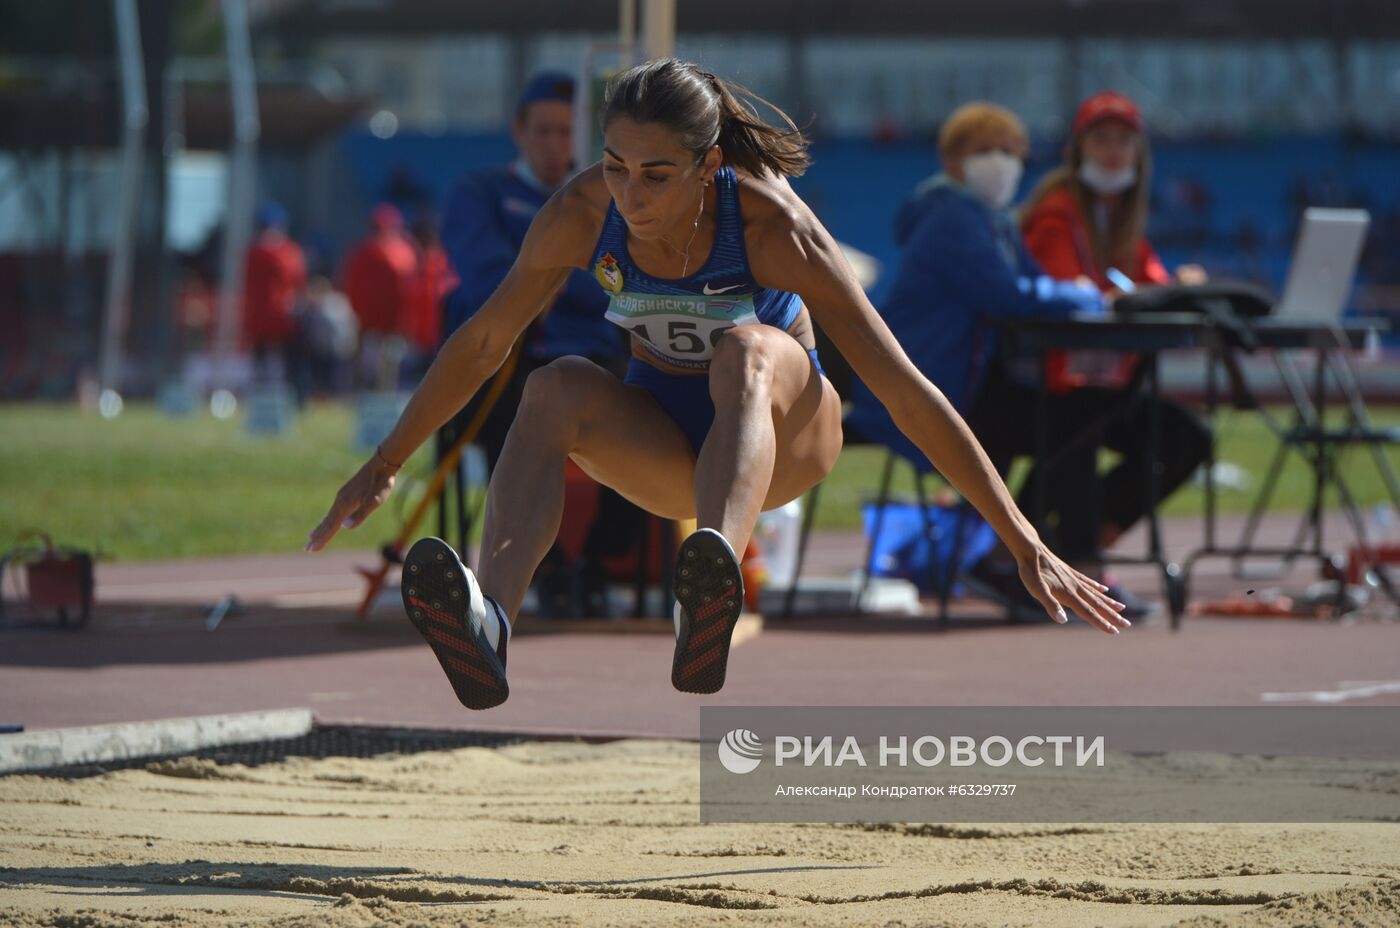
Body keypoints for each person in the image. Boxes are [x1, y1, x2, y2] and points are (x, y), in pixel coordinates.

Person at [306, 60, 1128, 712]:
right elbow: (483, 341)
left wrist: (1023, 541)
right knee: (553, 383)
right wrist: (384, 461)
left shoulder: (773, 226)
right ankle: (490, 622)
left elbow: (906, 392)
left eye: (656, 176)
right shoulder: (582, 213)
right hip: (671, 446)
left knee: (745, 348)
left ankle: (711, 583)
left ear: (707, 166)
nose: (631, 196)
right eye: (617, 166)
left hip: (790, 438)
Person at [843, 102, 1111, 616]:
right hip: (923, 394)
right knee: (1075, 423)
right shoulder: (952, 216)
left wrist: (1076, 293)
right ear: (951, 162)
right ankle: (1036, 562)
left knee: (1077, 416)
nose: (1001, 161)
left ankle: (1029, 560)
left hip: (961, 384)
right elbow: (1013, 295)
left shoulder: (994, 221)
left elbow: (1032, 285)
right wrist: (1089, 295)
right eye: (983, 150)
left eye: (1010, 151)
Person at [438, 70, 638, 617]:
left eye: (567, 133)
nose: (555, 145)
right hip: (507, 360)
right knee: (522, 407)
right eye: (544, 131)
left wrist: (553, 273)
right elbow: (489, 280)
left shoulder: (613, 199)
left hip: (595, 356)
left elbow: (625, 285)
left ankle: (599, 563)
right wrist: (548, 277)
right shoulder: (481, 194)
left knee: (657, 407)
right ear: (518, 131)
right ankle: (531, 575)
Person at [1019, 92, 1211, 587]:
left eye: (1124, 141)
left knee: (1186, 437)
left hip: (1105, 382)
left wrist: (1181, 287)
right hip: (1050, 380)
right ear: (1078, 148)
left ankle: (1078, 549)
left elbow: (1151, 287)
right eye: (1101, 139)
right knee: (1078, 426)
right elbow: (1069, 293)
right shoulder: (1056, 213)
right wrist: (1157, 292)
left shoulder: (1123, 217)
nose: (1112, 151)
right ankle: (1078, 562)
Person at [344, 203, 419, 391]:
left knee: (369, 369)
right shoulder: (405, 252)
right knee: (388, 371)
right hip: (392, 323)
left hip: (370, 323)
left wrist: (357, 315)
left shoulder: (362, 252)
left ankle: (368, 402)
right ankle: (382, 404)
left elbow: (350, 287)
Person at [242, 202, 307, 400]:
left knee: (263, 364)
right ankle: (291, 399)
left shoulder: (253, 252)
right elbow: (298, 282)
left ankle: (262, 400)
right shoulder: (288, 252)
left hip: (261, 316)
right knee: (289, 364)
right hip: (282, 316)